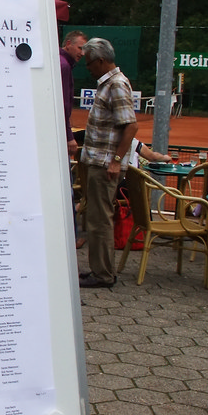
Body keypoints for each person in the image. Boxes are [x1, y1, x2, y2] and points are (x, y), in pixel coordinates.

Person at [78, 37, 137, 288]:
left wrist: (115, 161)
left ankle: (103, 274)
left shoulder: (116, 84)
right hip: (98, 162)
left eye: (89, 63)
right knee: (96, 217)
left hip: (104, 165)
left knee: (100, 220)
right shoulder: (109, 84)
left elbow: (130, 126)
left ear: (101, 61)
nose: (88, 68)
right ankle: (100, 269)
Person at [59, 28, 87, 158]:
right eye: (80, 48)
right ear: (68, 44)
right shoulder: (64, 65)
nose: (82, 53)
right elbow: (63, 105)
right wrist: (69, 137)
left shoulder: (58, 60)